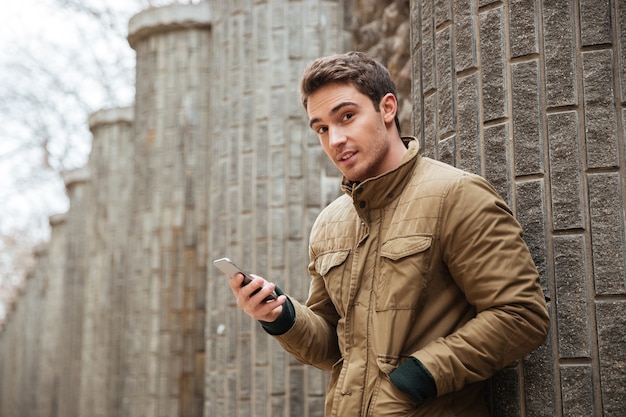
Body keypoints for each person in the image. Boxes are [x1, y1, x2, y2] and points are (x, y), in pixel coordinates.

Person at [226, 51, 550, 416]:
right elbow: (333, 346)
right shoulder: (330, 223)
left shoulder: (456, 195)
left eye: (347, 116)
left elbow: (521, 315)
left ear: (387, 108)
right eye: (321, 128)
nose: (335, 139)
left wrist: (418, 377)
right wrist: (280, 317)